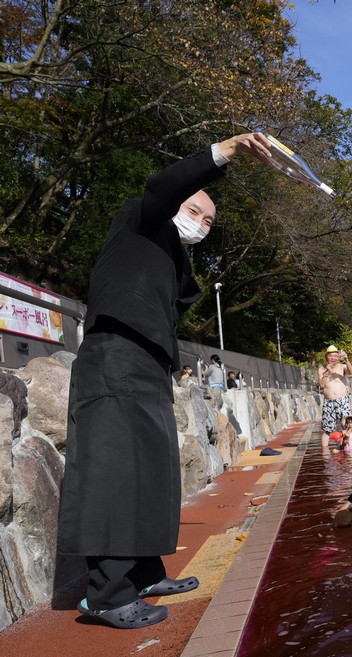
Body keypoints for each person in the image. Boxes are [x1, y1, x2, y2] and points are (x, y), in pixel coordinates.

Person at [59, 131, 274, 629]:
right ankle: (108, 596)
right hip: (115, 355)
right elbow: (162, 188)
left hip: (151, 365)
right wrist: (226, 152)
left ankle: (146, 572)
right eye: (195, 211)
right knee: (115, 470)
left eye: (209, 221)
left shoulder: (174, 256)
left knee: (154, 471)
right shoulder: (139, 220)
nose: (201, 223)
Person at [319, 345, 352, 453]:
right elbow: (322, 385)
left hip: (342, 400)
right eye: (331, 356)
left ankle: (347, 448)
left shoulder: (341, 367)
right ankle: (324, 452)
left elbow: (351, 372)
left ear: (338, 357)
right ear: (327, 357)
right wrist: (327, 373)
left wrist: (347, 360)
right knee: (327, 429)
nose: (333, 358)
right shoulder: (322, 369)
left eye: (335, 356)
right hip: (329, 402)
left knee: (347, 425)